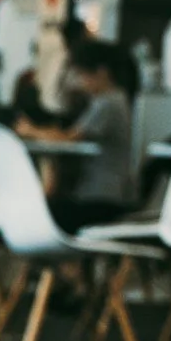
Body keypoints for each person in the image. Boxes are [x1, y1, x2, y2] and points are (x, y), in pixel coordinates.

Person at [20, 38, 139, 230]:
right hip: (104, 196)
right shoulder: (112, 101)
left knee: (35, 213)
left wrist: (30, 130)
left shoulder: (109, 104)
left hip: (101, 199)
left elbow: (69, 138)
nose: (78, 82)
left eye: (82, 75)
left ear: (101, 72)